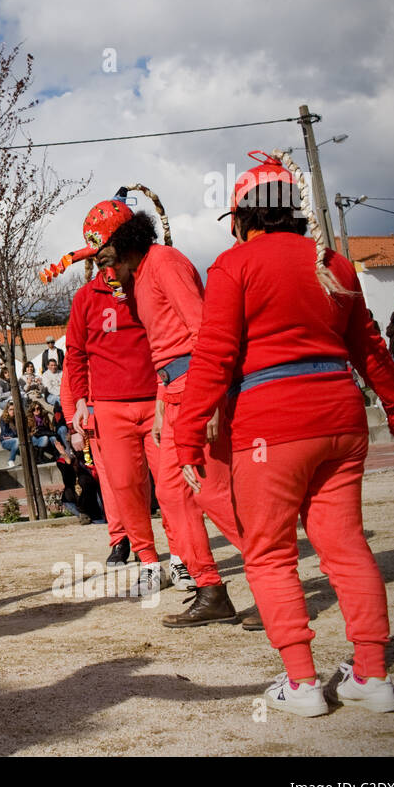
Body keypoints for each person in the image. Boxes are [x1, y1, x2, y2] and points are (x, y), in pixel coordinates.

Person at [176, 149, 394, 717]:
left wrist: (187, 436)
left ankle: (303, 684)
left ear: (242, 218)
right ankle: (373, 675)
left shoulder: (233, 266)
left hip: (270, 422)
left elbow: (213, 358)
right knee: (346, 544)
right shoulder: (332, 264)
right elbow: (368, 346)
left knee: (269, 553)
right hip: (341, 413)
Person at [86, 191, 247, 624]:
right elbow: (163, 351)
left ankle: (273, 575)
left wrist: (210, 398)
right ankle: (210, 588)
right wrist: (162, 404)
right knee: (174, 495)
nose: (103, 267)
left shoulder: (166, 263)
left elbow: (203, 331)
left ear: (124, 241)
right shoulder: (139, 277)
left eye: (105, 256)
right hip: (173, 393)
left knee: (212, 492)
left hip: (197, 388)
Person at [58, 260, 167, 588]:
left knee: (159, 480)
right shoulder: (85, 322)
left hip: (137, 405)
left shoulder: (135, 301)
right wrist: (73, 423)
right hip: (94, 417)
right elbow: (69, 377)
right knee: (112, 480)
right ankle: (121, 540)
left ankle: (174, 550)